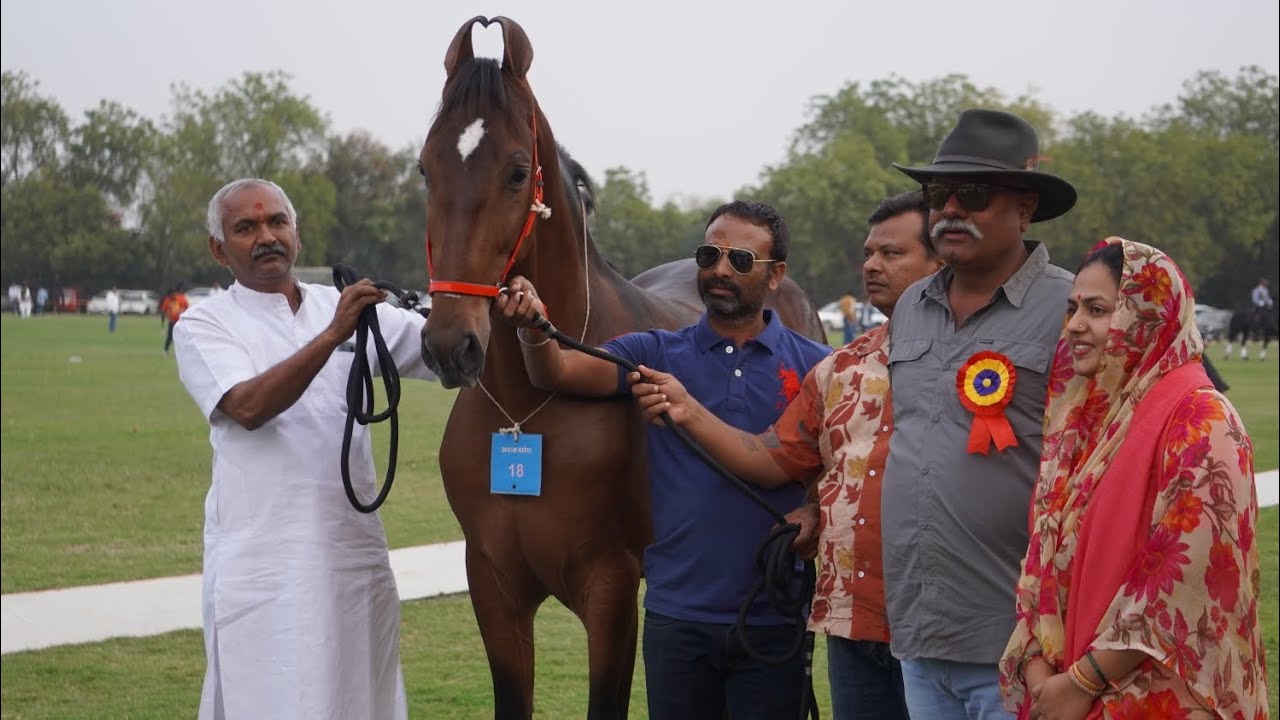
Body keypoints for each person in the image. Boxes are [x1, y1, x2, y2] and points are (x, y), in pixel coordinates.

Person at [495, 200, 831, 720]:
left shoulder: (817, 366)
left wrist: (815, 508)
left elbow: (842, 466)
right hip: (677, 615)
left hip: (774, 614)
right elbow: (555, 371)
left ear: (775, 275)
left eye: (740, 259)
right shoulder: (653, 353)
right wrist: (535, 328)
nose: (720, 270)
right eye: (709, 255)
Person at [632, 189, 944, 720]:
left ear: (941, 263)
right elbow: (770, 458)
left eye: (891, 253)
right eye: (868, 253)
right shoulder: (839, 368)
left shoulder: (986, 364)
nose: (871, 265)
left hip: (949, 626)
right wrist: (817, 508)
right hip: (854, 622)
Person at [173, 178, 432, 720]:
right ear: (219, 249)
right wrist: (333, 335)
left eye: (277, 222)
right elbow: (247, 406)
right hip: (264, 563)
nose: (266, 236)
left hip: (351, 553)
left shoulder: (347, 307)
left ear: (297, 233)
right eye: (246, 227)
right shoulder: (204, 323)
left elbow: (447, 354)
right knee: (270, 699)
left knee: (360, 698)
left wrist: (502, 307)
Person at [1000, 238, 1268, 719]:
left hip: (1153, 693)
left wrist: (1081, 682)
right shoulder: (1089, 417)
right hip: (1062, 689)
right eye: (1073, 308)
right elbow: (1043, 548)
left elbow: (1185, 578)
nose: (1074, 325)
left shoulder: (1203, 419)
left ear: (1149, 318)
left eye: (1097, 310)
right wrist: (1041, 673)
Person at [883, 108, 1079, 718]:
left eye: (971, 194)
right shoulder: (912, 304)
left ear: (1024, 209)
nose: (949, 210)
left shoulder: (1075, 308)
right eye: (937, 195)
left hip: (1023, 642)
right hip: (919, 633)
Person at [160, 286, 189, 356]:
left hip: (180, 322)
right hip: (172, 321)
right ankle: (165, 351)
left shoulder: (181, 298)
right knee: (170, 336)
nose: (171, 296)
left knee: (181, 336)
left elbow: (187, 308)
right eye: (170, 295)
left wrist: (183, 311)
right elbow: (163, 312)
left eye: (172, 294)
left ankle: (182, 351)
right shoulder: (167, 300)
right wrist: (162, 325)